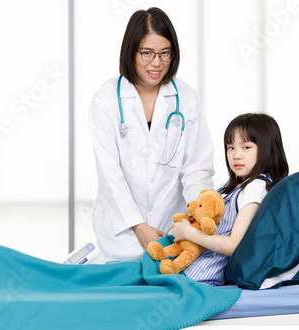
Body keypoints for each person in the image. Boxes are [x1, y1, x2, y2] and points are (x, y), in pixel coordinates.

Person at [89, 7, 214, 262]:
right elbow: (110, 175)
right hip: (121, 237)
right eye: (147, 53)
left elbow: (196, 168)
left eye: (165, 53)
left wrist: (199, 218)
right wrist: (137, 226)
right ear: (131, 51)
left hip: (173, 231)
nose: (156, 63)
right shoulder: (106, 99)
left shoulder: (186, 99)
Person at [171, 113, 289, 286]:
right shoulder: (233, 186)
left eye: (246, 147)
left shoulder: (255, 187)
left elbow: (235, 245)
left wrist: (188, 233)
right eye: (230, 147)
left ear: (268, 148)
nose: (236, 155)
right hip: (184, 265)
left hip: (199, 275)